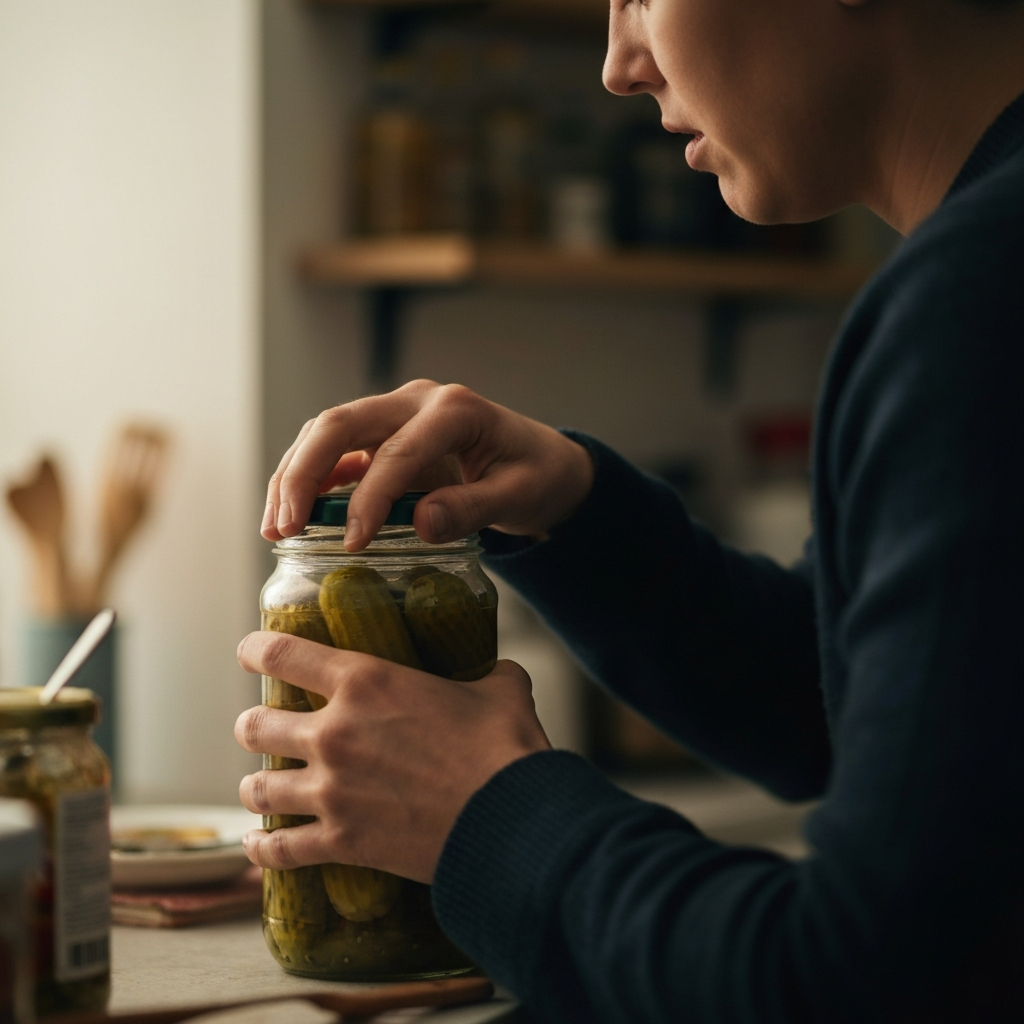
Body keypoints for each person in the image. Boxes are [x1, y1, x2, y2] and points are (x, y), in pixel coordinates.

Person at [233, 0, 1024, 1019]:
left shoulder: (977, 299)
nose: (617, 62)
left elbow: (859, 984)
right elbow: (852, 706)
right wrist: (579, 512)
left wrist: (488, 814)